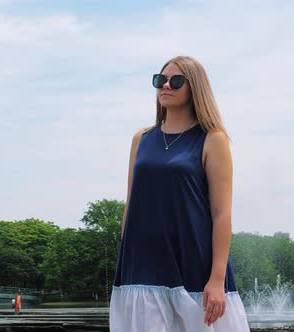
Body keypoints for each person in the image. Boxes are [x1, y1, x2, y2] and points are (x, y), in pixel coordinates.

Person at [110, 56, 249, 331]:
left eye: (176, 81)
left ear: (195, 87)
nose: (166, 86)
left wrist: (217, 278)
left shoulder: (212, 139)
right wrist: (125, 257)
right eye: (160, 80)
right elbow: (131, 203)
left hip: (193, 258)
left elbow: (221, 213)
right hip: (142, 263)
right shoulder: (141, 139)